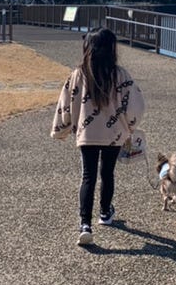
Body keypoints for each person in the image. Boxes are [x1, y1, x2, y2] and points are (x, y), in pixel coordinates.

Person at [51, 27, 145, 247]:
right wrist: (130, 126)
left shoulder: (79, 74)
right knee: (107, 173)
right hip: (114, 133)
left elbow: (65, 103)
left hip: (87, 133)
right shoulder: (120, 74)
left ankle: (85, 224)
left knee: (88, 176)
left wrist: (63, 127)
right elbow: (136, 106)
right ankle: (105, 212)